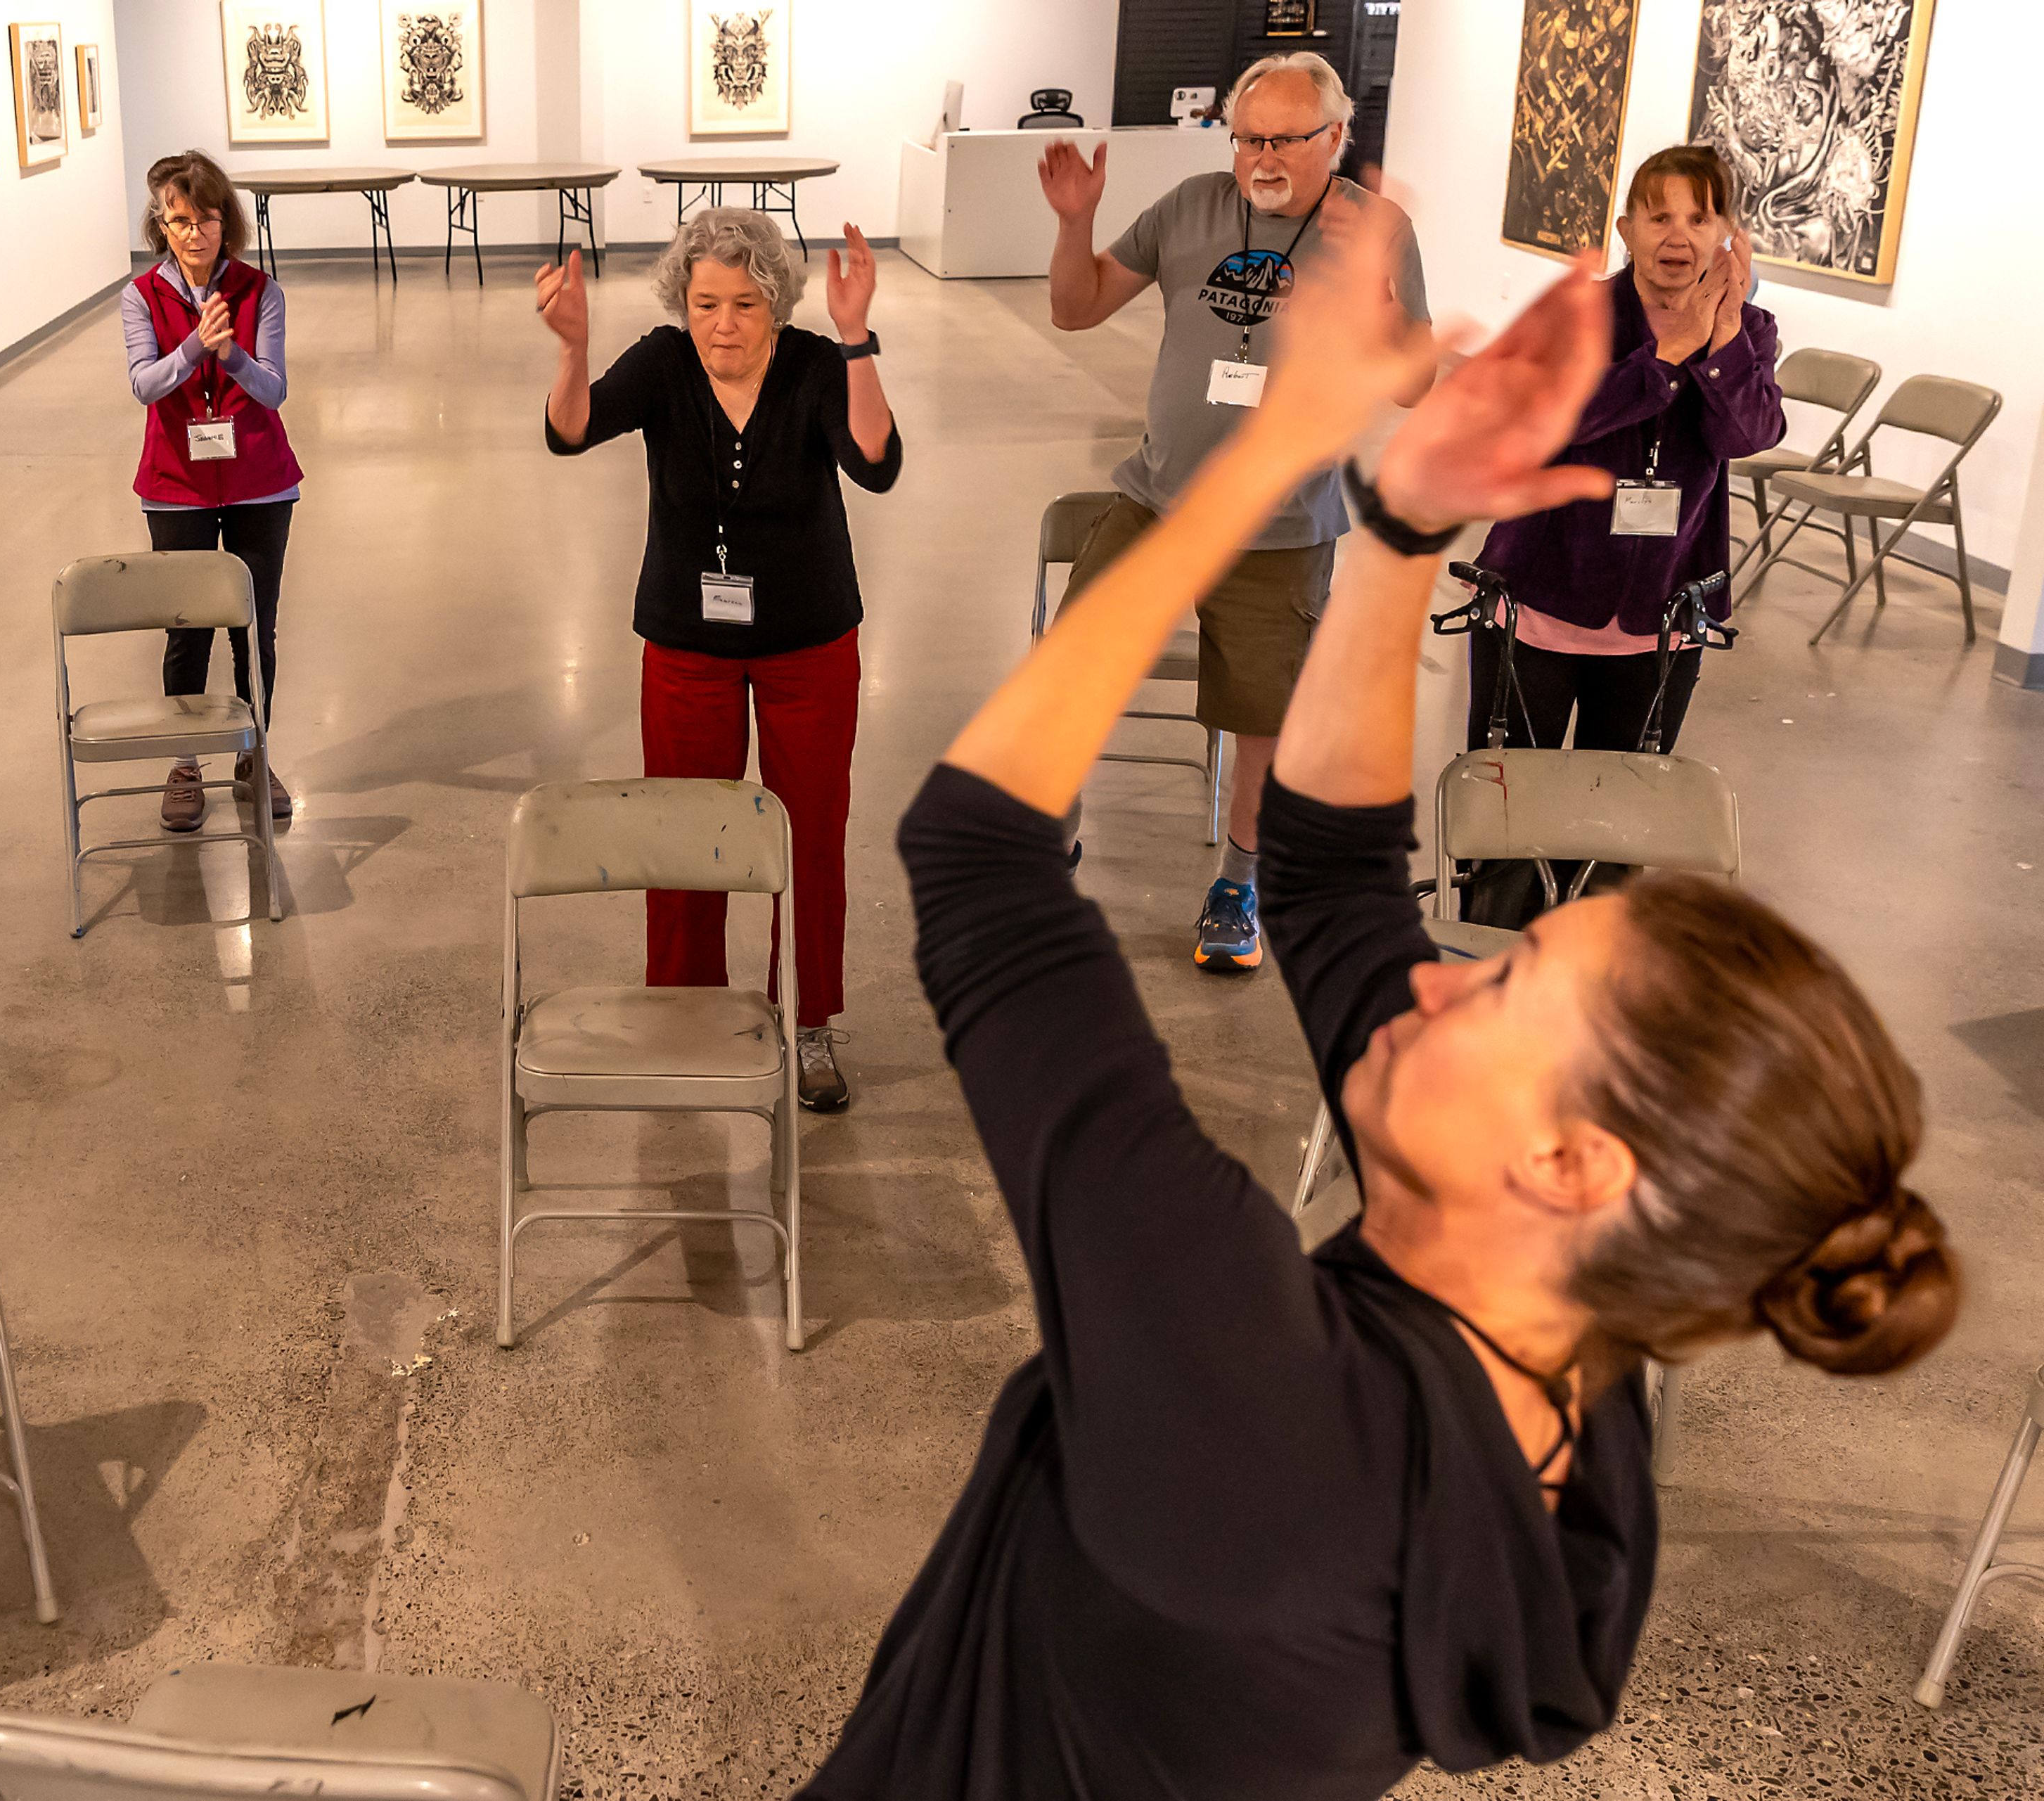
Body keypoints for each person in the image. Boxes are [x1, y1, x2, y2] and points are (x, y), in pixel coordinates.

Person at [799, 216, 1957, 1800]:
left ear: (1573, 1165)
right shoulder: (1572, 1382)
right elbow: (1339, 884)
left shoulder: (1258, 1410)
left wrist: (1277, 443)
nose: (1451, 975)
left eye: (1510, 987)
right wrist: (1398, 529)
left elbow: (980, 855)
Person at [1040, 50, 1429, 973]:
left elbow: (1414, 381)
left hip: (1282, 525)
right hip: (1160, 499)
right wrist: (1077, 223)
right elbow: (1076, 306)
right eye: (1247, 135)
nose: (1260, 156)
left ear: (1334, 137)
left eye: (1284, 140)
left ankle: (1237, 882)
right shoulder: (1191, 206)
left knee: (1262, 717)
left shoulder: (1378, 229)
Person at [539, 209, 901, 1113]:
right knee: (684, 831)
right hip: (687, 644)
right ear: (682, 302)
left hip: (810, 638)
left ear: (777, 304)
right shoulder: (663, 363)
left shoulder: (819, 365)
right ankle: (685, 1011)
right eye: (707, 303)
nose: (725, 323)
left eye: (745, 303)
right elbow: (571, 431)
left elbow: (877, 461)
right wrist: (573, 349)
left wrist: (858, 340)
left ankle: (811, 1021)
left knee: (809, 832)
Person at [1459, 145, 1785, 928]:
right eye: (1660, 215)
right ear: (1627, 229)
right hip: (1536, 607)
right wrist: (1667, 358)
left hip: (1661, 623)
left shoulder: (1749, 332)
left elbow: (1751, 432)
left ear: (1730, 235)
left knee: (1617, 828)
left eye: (1700, 218)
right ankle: (1487, 978)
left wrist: (1723, 338)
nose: (1679, 236)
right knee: (1509, 820)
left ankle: (1583, 985)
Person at [124, 150, 302, 828]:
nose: (193, 232)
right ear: (161, 228)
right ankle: (186, 761)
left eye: (205, 218)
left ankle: (253, 754)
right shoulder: (140, 297)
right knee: (187, 631)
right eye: (178, 221)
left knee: (255, 629)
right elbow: (145, 384)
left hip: (259, 481)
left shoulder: (263, 293)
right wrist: (196, 348)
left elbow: (274, 389)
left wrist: (232, 355)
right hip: (177, 487)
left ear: (226, 222)